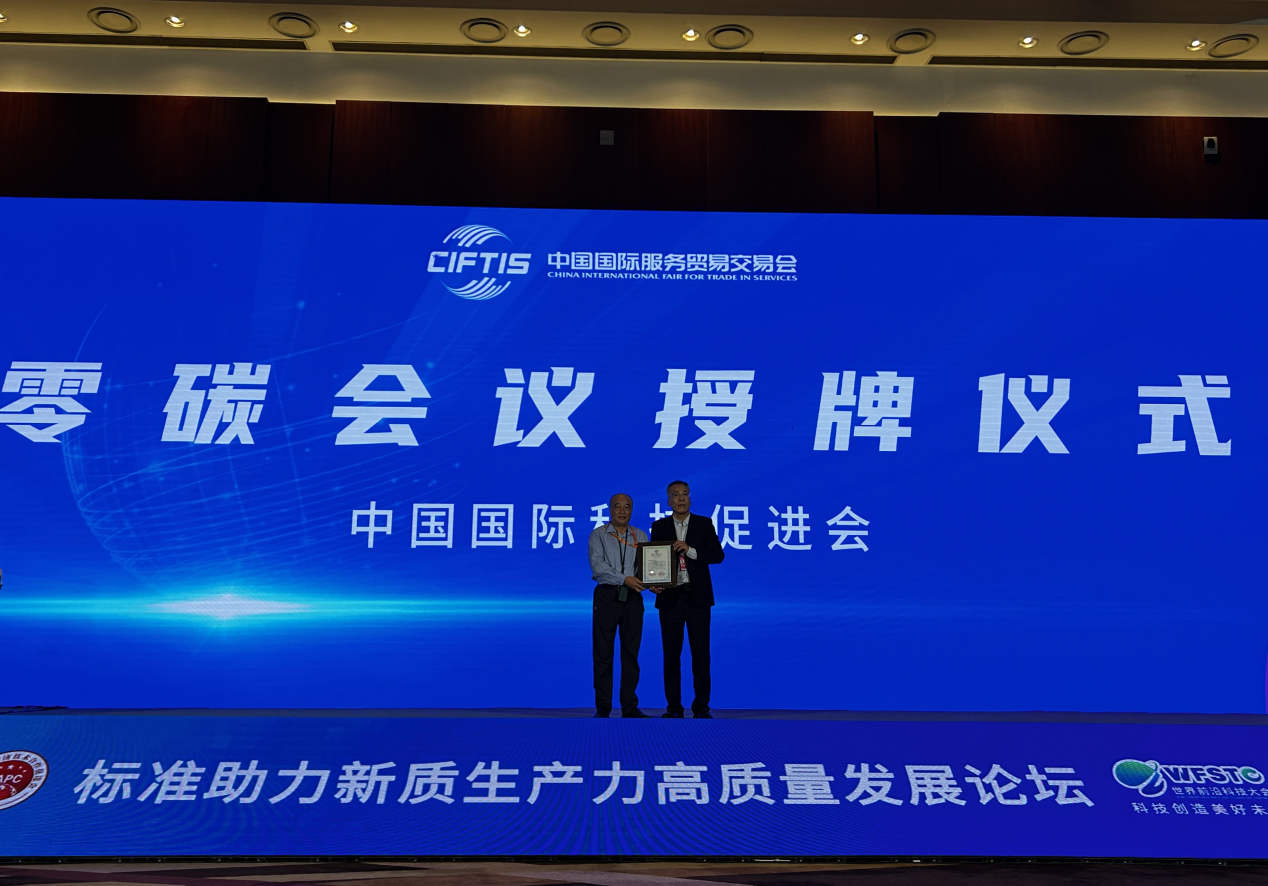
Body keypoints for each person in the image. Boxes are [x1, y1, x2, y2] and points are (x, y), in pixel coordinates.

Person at [651, 480, 724, 718]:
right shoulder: (659, 526)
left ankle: (701, 706)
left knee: (701, 654)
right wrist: (654, 582)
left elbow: (717, 555)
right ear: (668, 501)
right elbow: (654, 559)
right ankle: (674, 707)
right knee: (671, 655)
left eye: (685, 494)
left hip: (698, 598)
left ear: (690, 498)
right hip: (670, 598)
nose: (681, 498)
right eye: (676, 495)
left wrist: (690, 550)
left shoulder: (704, 524)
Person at [587, 493, 652, 719]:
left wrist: (654, 582)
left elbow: (648, 567)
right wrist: (625, 579)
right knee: (603, 653)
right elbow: (598, 566)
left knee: (631, 653)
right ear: (610, 510)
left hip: (633, 597)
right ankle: (603, 706)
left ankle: (629, 706)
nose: (622, 511)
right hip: (607, 596)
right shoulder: (598, 535)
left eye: (627, 507)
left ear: (631, 510)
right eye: (617, 507)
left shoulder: (640, 535)